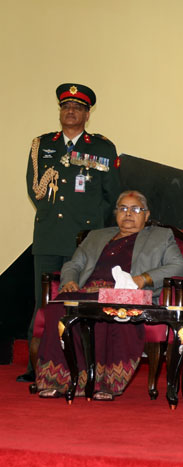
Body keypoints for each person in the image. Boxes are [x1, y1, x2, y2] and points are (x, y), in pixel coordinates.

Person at [35, 190, 183, 399]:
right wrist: (69, 281)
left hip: (125, 295)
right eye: (123, 208)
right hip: (86, 292)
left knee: (111, 311)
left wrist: (143, 279)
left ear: (147, 214)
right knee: (57, 308)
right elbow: (74, 264)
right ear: (115, 213)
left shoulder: (160, 236)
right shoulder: (96, 236)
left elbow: (179, 267)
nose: (128, 214)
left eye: (135, 209)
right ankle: (57, 379)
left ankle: (105, 383)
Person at [20, 83, 121, 383]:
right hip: (50, 237)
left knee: (82, 302)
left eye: (77, 107)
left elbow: (111, 195)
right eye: (65, 107)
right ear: (60, 111)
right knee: (45, 303)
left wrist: (95, 234)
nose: (70, 111)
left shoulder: (102, 148)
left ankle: (80, 362)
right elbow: (34, 189)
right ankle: (36, 366)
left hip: (85, 240)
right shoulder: (42, 145)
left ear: (87, 115)